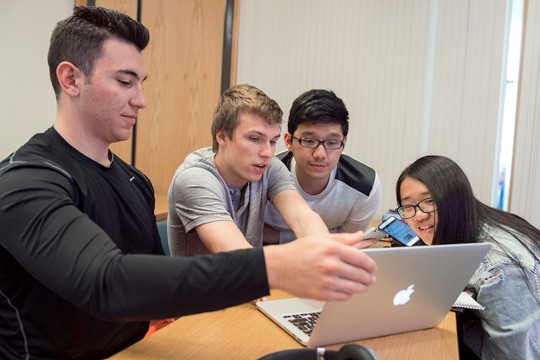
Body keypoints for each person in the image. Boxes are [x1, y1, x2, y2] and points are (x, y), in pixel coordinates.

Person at [0, 7, 378, 359]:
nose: (142, 100)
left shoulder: (134, 182)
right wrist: (275, 266)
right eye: (125, 81)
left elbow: (149, 290)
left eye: (141, 83)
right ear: (70, 79)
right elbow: (109, 285)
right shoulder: (25, 181)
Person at [395, 155, 540, 359]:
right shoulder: (465, 231)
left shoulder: (500, 268)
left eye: (429, 201)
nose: (419, 215)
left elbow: (512, 356)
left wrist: (464, 329)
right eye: (408, 206)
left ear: (456, 200)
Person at [168, 84, 335, 256]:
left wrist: (327, 253)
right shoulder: (194, 178)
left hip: (251, 279)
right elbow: (237, 255)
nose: (268, 153)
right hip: (207, 282)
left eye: (272, 141)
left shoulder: (269, 168)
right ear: (222, 136)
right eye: (255, 139)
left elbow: (303, 218)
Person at [264, 89, 382, 243]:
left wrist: (279, 237)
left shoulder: (365, 187)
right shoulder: (262, 175)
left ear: (343, 143)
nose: (320, 153)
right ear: (288, 141)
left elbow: (346, 244)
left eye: (332, 142)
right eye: (309, 141)